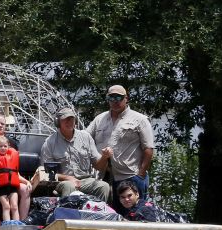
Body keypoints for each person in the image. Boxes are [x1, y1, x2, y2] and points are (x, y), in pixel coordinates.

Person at [85, 84, 155, 213]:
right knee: (109, 215)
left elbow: (148, 148)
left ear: (126, 98)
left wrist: (141, 173)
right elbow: (85, 139)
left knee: (135, 215)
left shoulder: (139, 119)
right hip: (105, 178)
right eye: (111, 98)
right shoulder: (99, 119)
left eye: (118, 97)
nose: (115, 101)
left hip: (131, 176)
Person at [39, 107, 112, 202]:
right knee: (69, 186)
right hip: (62, 182)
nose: (69, 122)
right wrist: (67, 178)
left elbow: (99, 166)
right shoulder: (49, 142)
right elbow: (45, 172)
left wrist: (104, 157)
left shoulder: (86, 137)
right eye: (65, 119)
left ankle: (98, 213)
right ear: (58, 122)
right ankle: (69, 215)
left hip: (85, 180)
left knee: (104, 186)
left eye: (71, 119)